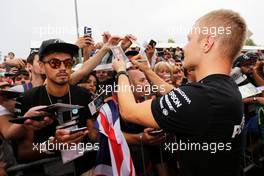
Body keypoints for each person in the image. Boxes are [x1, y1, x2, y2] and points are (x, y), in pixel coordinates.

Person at [112, 9, 247, 176]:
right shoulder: (225, 87)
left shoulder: (201, 97)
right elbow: (176, 94)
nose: (185, 46)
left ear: (207, 43)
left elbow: (129, 111)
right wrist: (147, 70)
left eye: (190, 40)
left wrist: (121, 71)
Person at [14, 39, 97, 175]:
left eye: (68, 63)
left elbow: (94, 136)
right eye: (55, 63)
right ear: (41, 66)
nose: (63, 68)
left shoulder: (84, 95)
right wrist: (52, 146)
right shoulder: (27, 99)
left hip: (84, 170)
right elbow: (23, 153)